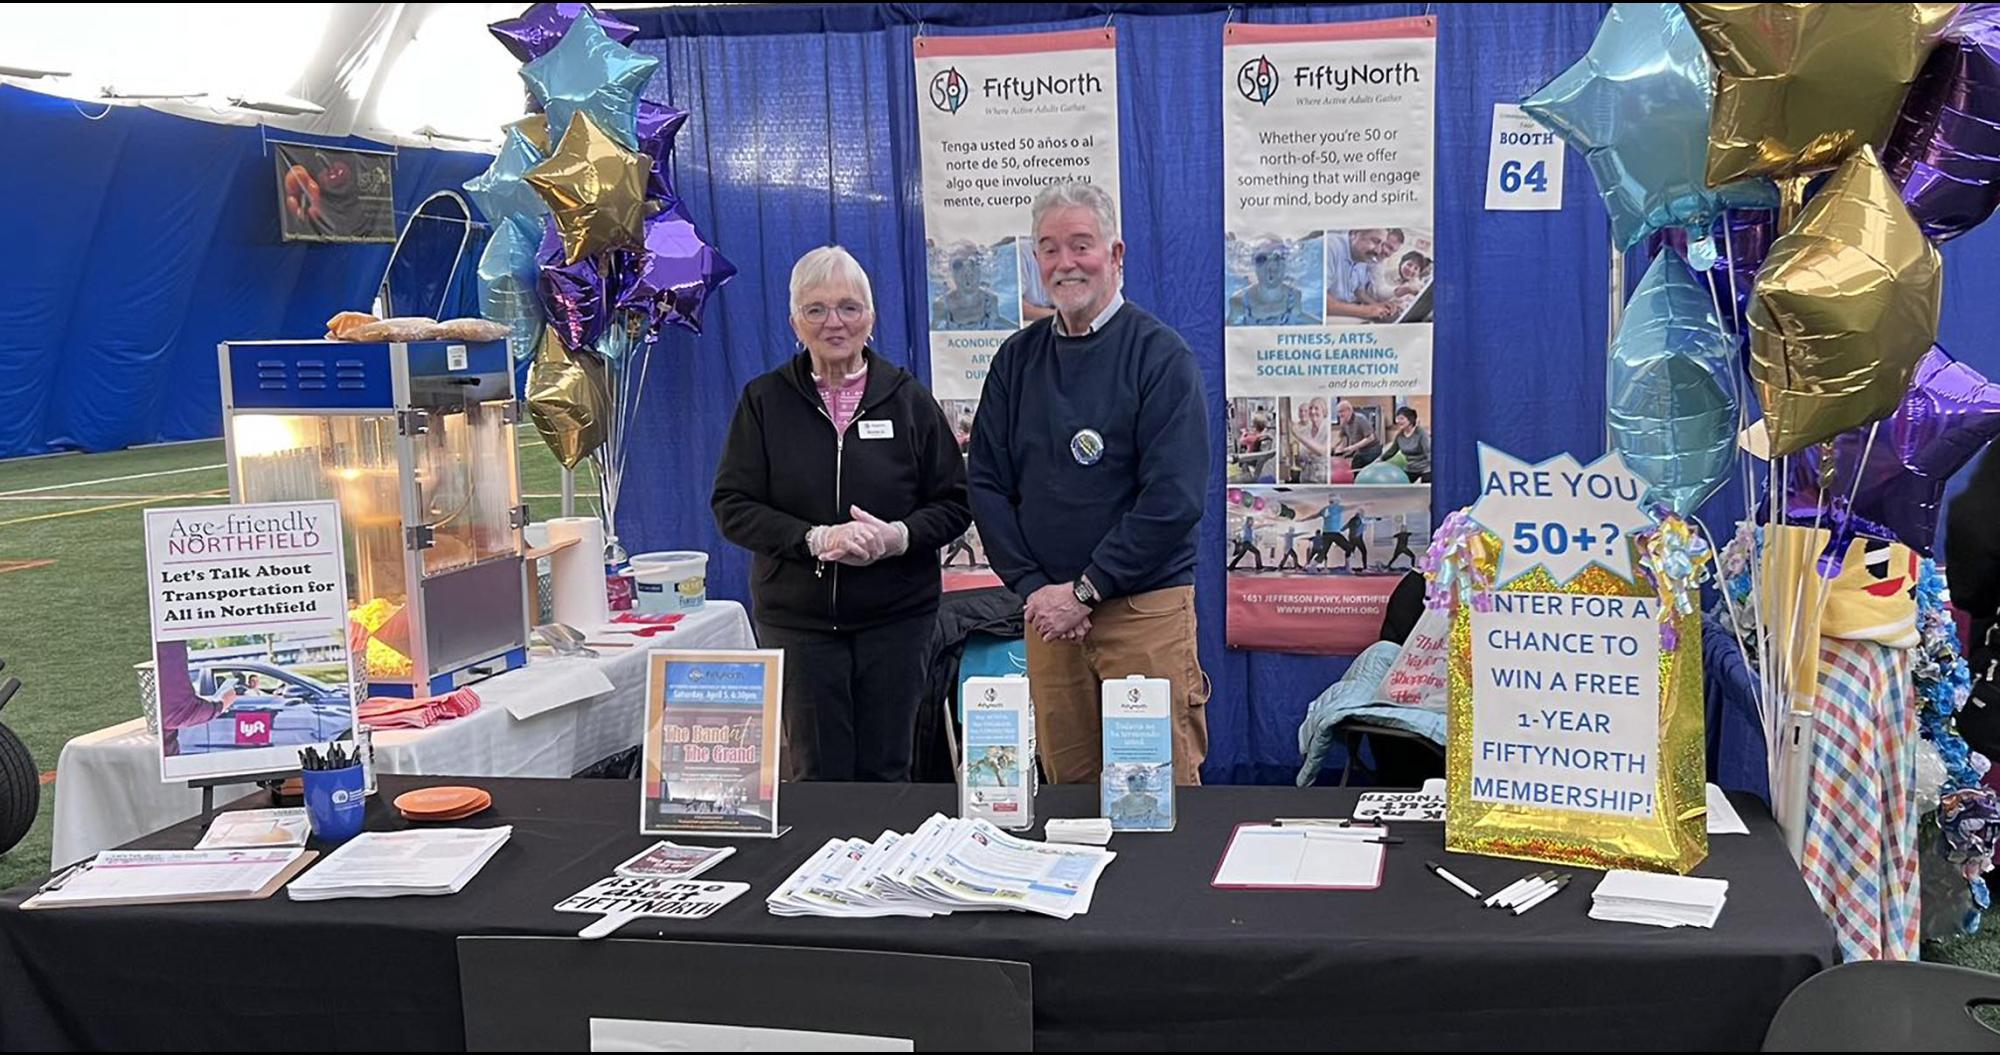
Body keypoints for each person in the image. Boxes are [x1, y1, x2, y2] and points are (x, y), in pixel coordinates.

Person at [968, 180, 1211, 786]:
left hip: (1141, 612)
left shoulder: (1160, 357)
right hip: (1049, 617)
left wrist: (1087, 589)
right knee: (1068, 794)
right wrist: (1036, 590)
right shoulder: (1015, 362)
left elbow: (1173, 500)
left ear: (1115, 254)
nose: (1065, 262)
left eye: (1081, 245)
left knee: (1157, 796)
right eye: (1049, 249)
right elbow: (988, 485)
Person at [713, 246, 971, 782]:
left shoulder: (909, 400)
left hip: (897, 621)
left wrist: (897, 537)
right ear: (795, 323)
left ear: (870, 318)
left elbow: (955, 502)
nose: (835, 322)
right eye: (817, 309)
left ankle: (886, 845)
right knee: (818, 776)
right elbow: (733, 506)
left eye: (849, 307)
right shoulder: (764, 402)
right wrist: (813, 539)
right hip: (799, 623)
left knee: (888, 773)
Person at [1327, 228, 1402, 322]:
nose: (1378, 250)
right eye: (1375, 241)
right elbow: (1320, 302)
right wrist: (1367, 311)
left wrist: (1376, 305)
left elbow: (1359, 291)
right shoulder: (1329, 246)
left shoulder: (1362, 257)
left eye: (1382, 244)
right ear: (1354, 233)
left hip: (1346, 309)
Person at [1227, 240, 1308, 325]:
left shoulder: (1294, 299)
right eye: (1261, 259)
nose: (1271, 267)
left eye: (1277, 258)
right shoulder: (1239, 302)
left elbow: (1302, 316)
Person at [932, 241, 1009, 330]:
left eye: (973, 263)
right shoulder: (942, 305)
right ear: (950, 271)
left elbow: (1001, 327)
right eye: (958, 265)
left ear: (981, 269)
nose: (967, 271)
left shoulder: (990, 301)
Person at [1292, 396, 1333, 484]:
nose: (1312, 411)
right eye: (1310, 408)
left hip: (1322, 478)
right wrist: (1299, 460)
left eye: (1316, 408)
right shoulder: (1305, 431)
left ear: (1324, 411)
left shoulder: (1327, 429)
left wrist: (1299, 436)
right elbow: (1300, 456)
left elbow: (1323, 451)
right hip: (1305, 477)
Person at [1333, 400, 1382, 471]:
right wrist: (1339, 448)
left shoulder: (1360, 419)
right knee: (1354, 467)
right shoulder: (1344, 422)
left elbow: (1370, 438)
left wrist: (1353, 447)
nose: (1340, 415)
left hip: (1372, 449)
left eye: (1341, 411)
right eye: (1338, 412)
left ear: (1349, 410)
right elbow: (1343, 437)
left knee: (1363, 468)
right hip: (1360, 450)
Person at [1390, 405, 1431, 482]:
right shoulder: (1399, 436)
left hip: (1425, 468)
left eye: (1402, 418)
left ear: (1410, 420)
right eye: (1397, 419)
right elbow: (1391, 451)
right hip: (1410, 468)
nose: (1398, 421)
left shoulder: (1421, 433)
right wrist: (1379, 460)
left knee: (1426, 483)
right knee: (1401, 483)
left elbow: (1429, 452)